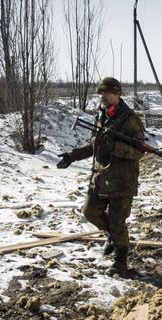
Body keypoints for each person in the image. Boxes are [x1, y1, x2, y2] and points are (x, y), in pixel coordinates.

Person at [57, 77, 145, 276]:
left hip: (122, 181)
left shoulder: (130, 119)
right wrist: (72, 156)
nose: (102, 96)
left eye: (107, 93)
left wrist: (115, 147)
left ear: (117, 94)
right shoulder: (101, 115)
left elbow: (139, 151)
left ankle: (121, 261)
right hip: (100, 177)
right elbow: (93, 145)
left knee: (117, 221)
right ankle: (112, 236)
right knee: (89, 211)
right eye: (100, 93)